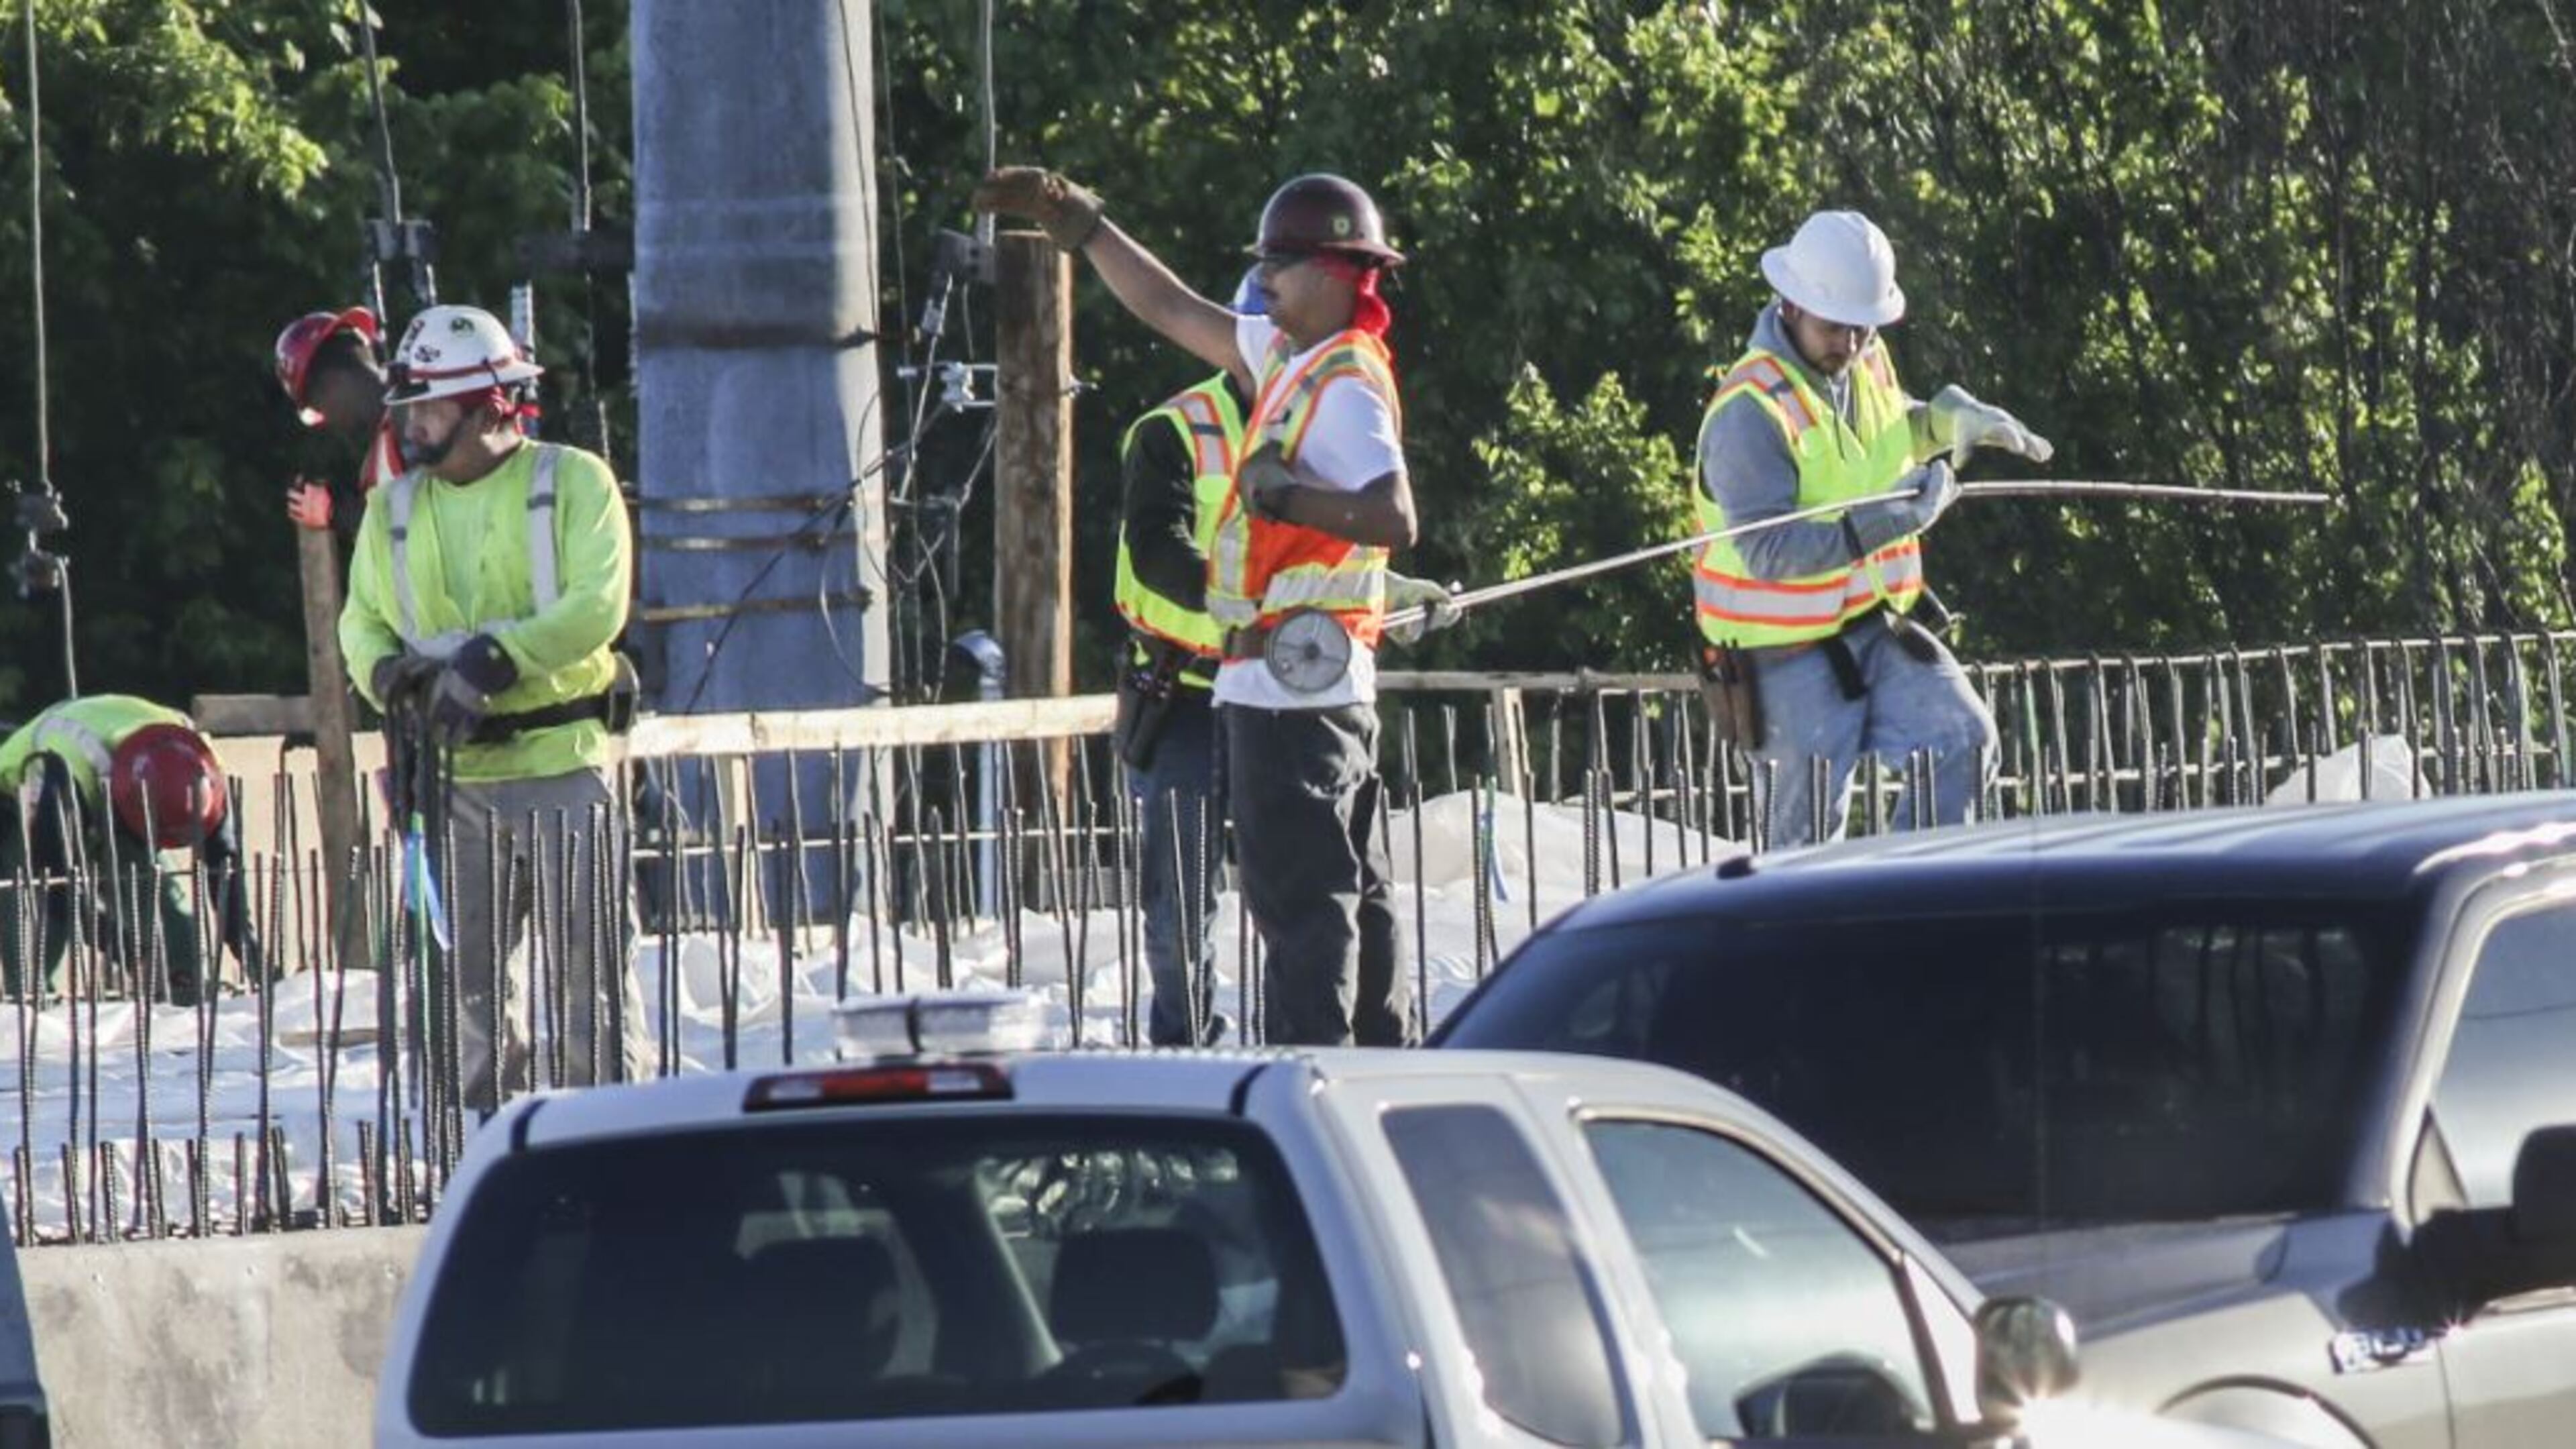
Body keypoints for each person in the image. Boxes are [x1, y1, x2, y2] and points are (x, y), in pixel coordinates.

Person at [975, 167, 1456, 1046]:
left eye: (1281, 260)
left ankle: (1316, 1075)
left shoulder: (1343, 385)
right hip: (1298, 677)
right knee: (1352, 889)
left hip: (1294, 689)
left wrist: (1285, 499)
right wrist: (1083, 227)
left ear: (1338, 272)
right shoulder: (1295, 357)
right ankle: (1381, 1059)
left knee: (1302, 902)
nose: (1263, 276)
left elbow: (1396, 516)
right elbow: (1170, 306)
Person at [339, 303, 645, 1113]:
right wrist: (388, 678)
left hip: (561, 770)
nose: (414, 424)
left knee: (590, 980)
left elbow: (598, 606)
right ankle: (475, 1134)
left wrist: (498, 660)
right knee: (461, 984)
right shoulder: (392, 509)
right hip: (452, 780)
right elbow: (360, 624)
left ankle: (608, 1129)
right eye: (407, 407)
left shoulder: (572, 482)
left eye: (432, 406)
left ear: (490, 404)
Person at [1693, 209, 2050, 847]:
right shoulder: (1748, 414)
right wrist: (1889, 523)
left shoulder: (1863, 361)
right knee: (1800, 853)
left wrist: (1947, 420)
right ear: (1791, 307)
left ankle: (1909, 920)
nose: (1851, 344)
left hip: (1875, 631)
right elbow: (1768, 551)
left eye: (1863, 328)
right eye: (1836, 328)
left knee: (1962, 742)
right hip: (1784, 662)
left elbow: (1889, 432)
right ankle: (1803, 946)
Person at [1111, 270, 1271, 1047]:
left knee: (1299, 890)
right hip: (1187, 694)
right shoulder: (1175, 429)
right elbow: (1153, 553)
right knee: (1180, 902)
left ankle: (1297, 1042)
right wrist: (1235, 602)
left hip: (1282, 692)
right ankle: (1189, 1046)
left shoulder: (1320, 421)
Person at [0, 697, 262, 1004]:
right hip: (16, 801)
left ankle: (186, 998)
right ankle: (34, 1015)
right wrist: (130, 952)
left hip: (118, 795)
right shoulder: (65, 766)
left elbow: (224, 862)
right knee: (40, 928)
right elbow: (61, 896)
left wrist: (247, 948)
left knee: (170, 915)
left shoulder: (200, 763)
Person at [274, 307, 407, 543]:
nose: (326, 420)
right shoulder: (390, 436)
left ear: (331, 385)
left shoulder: (413, 421)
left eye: (317, 409)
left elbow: (425, 531)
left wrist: (337, 513)